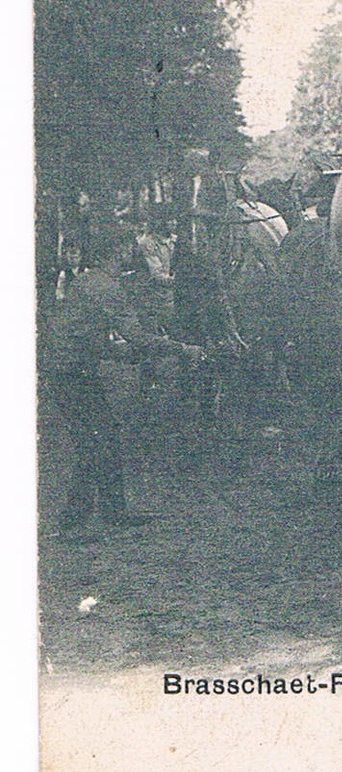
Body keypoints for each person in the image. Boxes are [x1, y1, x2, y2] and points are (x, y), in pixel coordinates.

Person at [41, 218, 203, 540]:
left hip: (66, 370)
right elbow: (138, 338)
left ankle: (111, 512)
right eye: (128, 247)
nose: (132, 253)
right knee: (95, 442)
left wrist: (122, 355)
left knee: (103, 436)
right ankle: (74, 523)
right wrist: (182, 349)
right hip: (72, 373)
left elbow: (84, 338)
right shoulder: (108, 288)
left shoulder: (85, 283)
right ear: (117, 252)